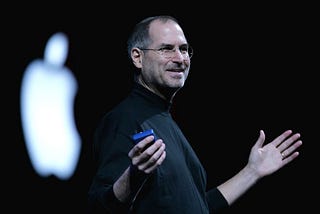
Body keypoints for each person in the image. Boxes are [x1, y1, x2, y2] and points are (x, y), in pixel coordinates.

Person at [87, 15, 303, 214]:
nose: (180, 58)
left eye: (184, 49)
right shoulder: (124, 119)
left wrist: (252, 171)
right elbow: (99, 207)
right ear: (137, 57)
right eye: (166, 49)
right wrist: (132, 178)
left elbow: (196, 207)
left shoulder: (164, 120)